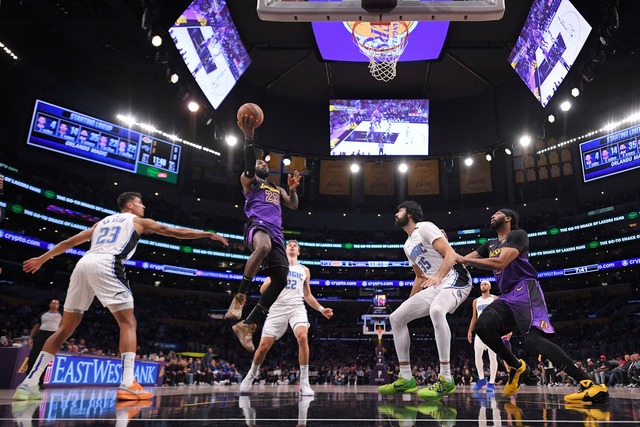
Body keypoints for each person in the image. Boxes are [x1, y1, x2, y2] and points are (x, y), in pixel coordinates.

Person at [13, 191, 228, 401]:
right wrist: (207, 234)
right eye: (140, 202)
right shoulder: (137, 221)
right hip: (107, 263)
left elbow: (71, 241)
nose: (143, 206)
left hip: (83, 264)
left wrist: (43, 258)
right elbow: (172, 231)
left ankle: (28, 384)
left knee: (64, 329)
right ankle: (127, 383)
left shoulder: (101, 223)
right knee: (128, 322)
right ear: (130, 205)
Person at [456, 209, 609, 404]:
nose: (492, 216)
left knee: (533, 340)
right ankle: (516, 366)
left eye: (497, 214)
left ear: (508, 218)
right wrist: (445, 252)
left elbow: (500, 263)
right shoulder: (489, 244)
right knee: (482, 327)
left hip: (524, 289)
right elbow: (462, 261)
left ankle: (589, 384)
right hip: (506, 296)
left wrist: (464, 259)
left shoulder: (518, 235)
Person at [378, 201, 472, 400]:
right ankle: (406, 378)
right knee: (396, 318)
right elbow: (420, 276)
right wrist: (410, 302)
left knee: (437, 311)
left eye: (399, 210)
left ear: (410, 213)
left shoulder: (425, 227)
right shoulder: (407, 245)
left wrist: (438, 276)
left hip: (455, 277)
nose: (396, 214)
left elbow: (451, 254)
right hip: (434, 284)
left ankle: (446, 379)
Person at [226, 113, 301, 353]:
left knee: (281, 279)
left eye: (265, 164)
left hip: (277, 234)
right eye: (260, 164)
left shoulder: (277, 188)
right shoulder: (250, 181)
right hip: (256, 226)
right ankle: (239, 297)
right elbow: (250, 164)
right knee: (263, 247)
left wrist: (292, 190)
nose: (263, 165)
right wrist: (249, 138)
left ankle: (247, 325)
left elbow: (293, 205)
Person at [240, 240, 333, 396]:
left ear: (298, 252)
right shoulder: (278, 267)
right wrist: (275, 278)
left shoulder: (304, 270)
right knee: (263, 347)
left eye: (295, 245)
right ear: (284, 250)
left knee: (303, 337)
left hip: (297, 306)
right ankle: (251, 374)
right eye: (289, 244)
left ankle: (304, 382)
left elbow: (307, 295)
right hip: (277, 308)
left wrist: (321, 309)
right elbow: (263, 290)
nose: (292, 246)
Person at [467, 280, 498, 393]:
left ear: (489, 287)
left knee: (492, 357)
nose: (482, 286)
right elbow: (474, 317)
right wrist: (470, 331)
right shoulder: (476, 301)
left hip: (492, 331)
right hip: (480, 331)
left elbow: (501, 315)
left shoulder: (495, 299)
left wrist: (506, 330)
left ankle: (491, 382)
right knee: (477, 357)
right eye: (481, 284)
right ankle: (481, 379)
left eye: (485, 284)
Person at [26, 299, 62, 390]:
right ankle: (27, 380)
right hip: (40, 335)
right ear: (50, 304)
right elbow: (37, 326)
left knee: (45, 359)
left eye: (57, 303)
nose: (55, 304)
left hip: (52, 336)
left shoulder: (61, 315)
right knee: (33, 357)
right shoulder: (43, 314)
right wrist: (31, 337)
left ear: (59, 305)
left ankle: (40, 382)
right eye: (53, 302)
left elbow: (63, 328)